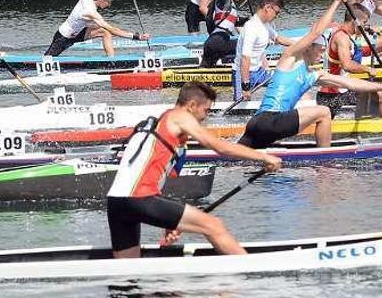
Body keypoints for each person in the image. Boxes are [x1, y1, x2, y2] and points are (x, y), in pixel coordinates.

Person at [106, 81, 282, 258]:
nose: (205, 117)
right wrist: (264, 157)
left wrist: (170, 222)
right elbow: (219, 146)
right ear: (191, 105)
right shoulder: (180, 116)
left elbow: (153, 179)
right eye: (206, 111)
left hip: (116, 203)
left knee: (128, 275)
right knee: (213, 226)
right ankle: (253, 273)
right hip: (139, 199)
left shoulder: (161, 124)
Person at [238, 0, 382, 149]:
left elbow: (351, 83)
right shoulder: (289, 59)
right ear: (308, 47)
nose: (323, 52)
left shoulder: (315, 75)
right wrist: (336, 1)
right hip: (269, 119)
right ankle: (325, 159)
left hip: (263, 126)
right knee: (324, 112)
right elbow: (316, 31)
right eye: (320, 49)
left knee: (234, 157)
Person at [318, 2, 382, 119]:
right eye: (364, 23)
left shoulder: (344, 34)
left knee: (365, 91)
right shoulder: (342, 38)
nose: (365, 26)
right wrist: (367, 69)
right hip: (332, 95)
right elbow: (347, 65)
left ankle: (362, 123)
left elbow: (355, 53)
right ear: (354, 21)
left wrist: (375, 50)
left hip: (339, 89)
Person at [232, 0, 295, 101]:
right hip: (243, 74)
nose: (277, 16)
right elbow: (245, 58)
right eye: (277, 12)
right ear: (267, 7)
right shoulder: (251, 27)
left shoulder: (265, 24)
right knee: (240, 109)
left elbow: (279, 39)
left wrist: (303, 44)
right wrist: (245, 86)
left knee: (286, 82)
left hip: (259, 72)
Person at [201, 0, 269, 67]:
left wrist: (250, 20)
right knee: (254, 44)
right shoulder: (224, 0)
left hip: (212, 43)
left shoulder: (231, 7)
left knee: (205, 72)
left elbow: (237, 21)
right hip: (219, 42)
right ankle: (253, 70)